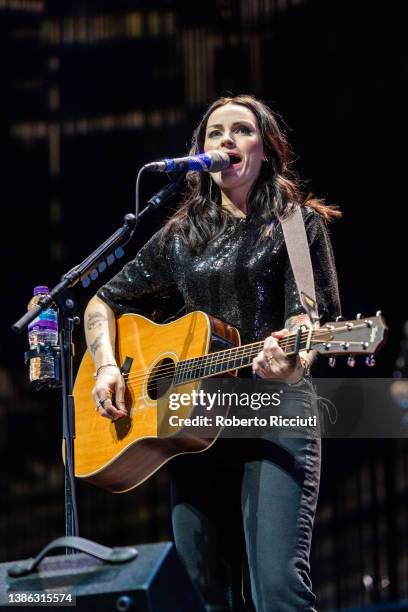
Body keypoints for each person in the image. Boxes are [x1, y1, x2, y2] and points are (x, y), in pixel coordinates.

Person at [84, 94, 341, 611]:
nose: (226, 140)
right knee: (204, 591)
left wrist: (290, 359)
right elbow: (100, 300)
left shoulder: (296, 224)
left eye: (241, 130)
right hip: (196, 420)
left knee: (277, 588)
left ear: (265, 149)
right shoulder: (178, 236)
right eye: (214, 133)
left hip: (274, 408)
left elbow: (307, 321)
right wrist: (108, 366)